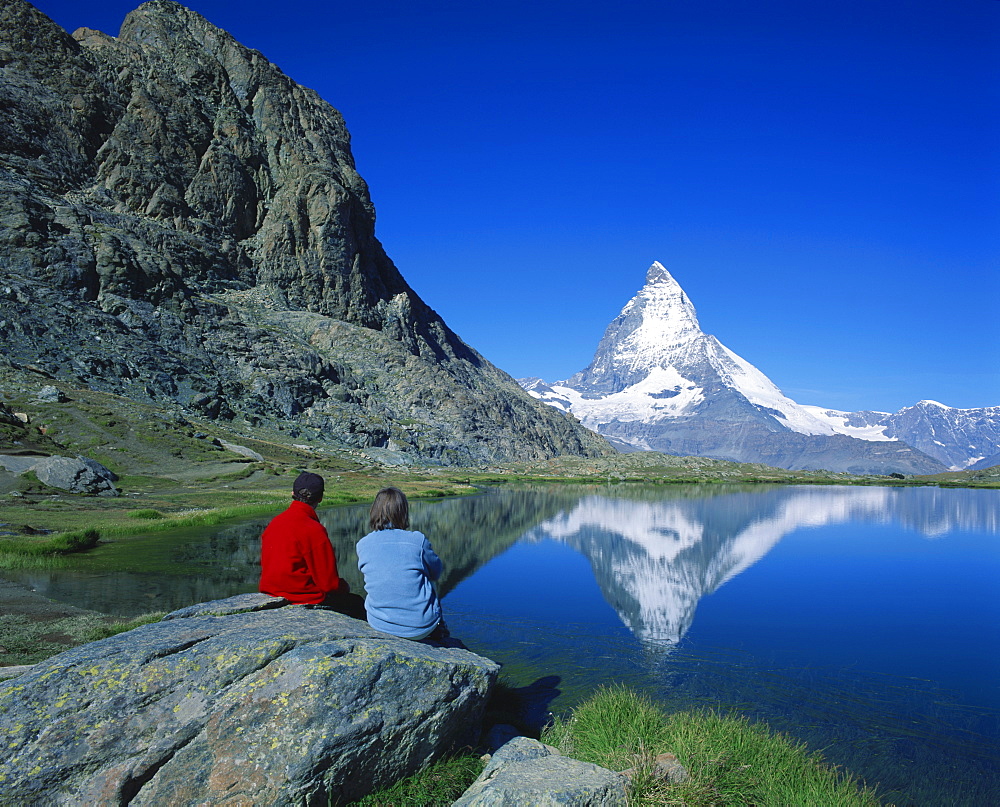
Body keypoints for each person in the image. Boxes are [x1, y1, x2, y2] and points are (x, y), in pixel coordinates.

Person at [357, 487, 459, 645]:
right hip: (421, 627)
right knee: (427, 582)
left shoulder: (363, 544)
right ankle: (440, 631)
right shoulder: (418, 540)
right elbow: (436, 572)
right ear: (403, 512)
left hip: (380, 624)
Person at [259, 471, 363, 617]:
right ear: (320, 498)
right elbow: (329, 584)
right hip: (302, 596)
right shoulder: (313, 530)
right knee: (358, 604)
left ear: (293, 493)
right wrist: (344, 586)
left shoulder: (275, 523)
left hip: (271, 591)